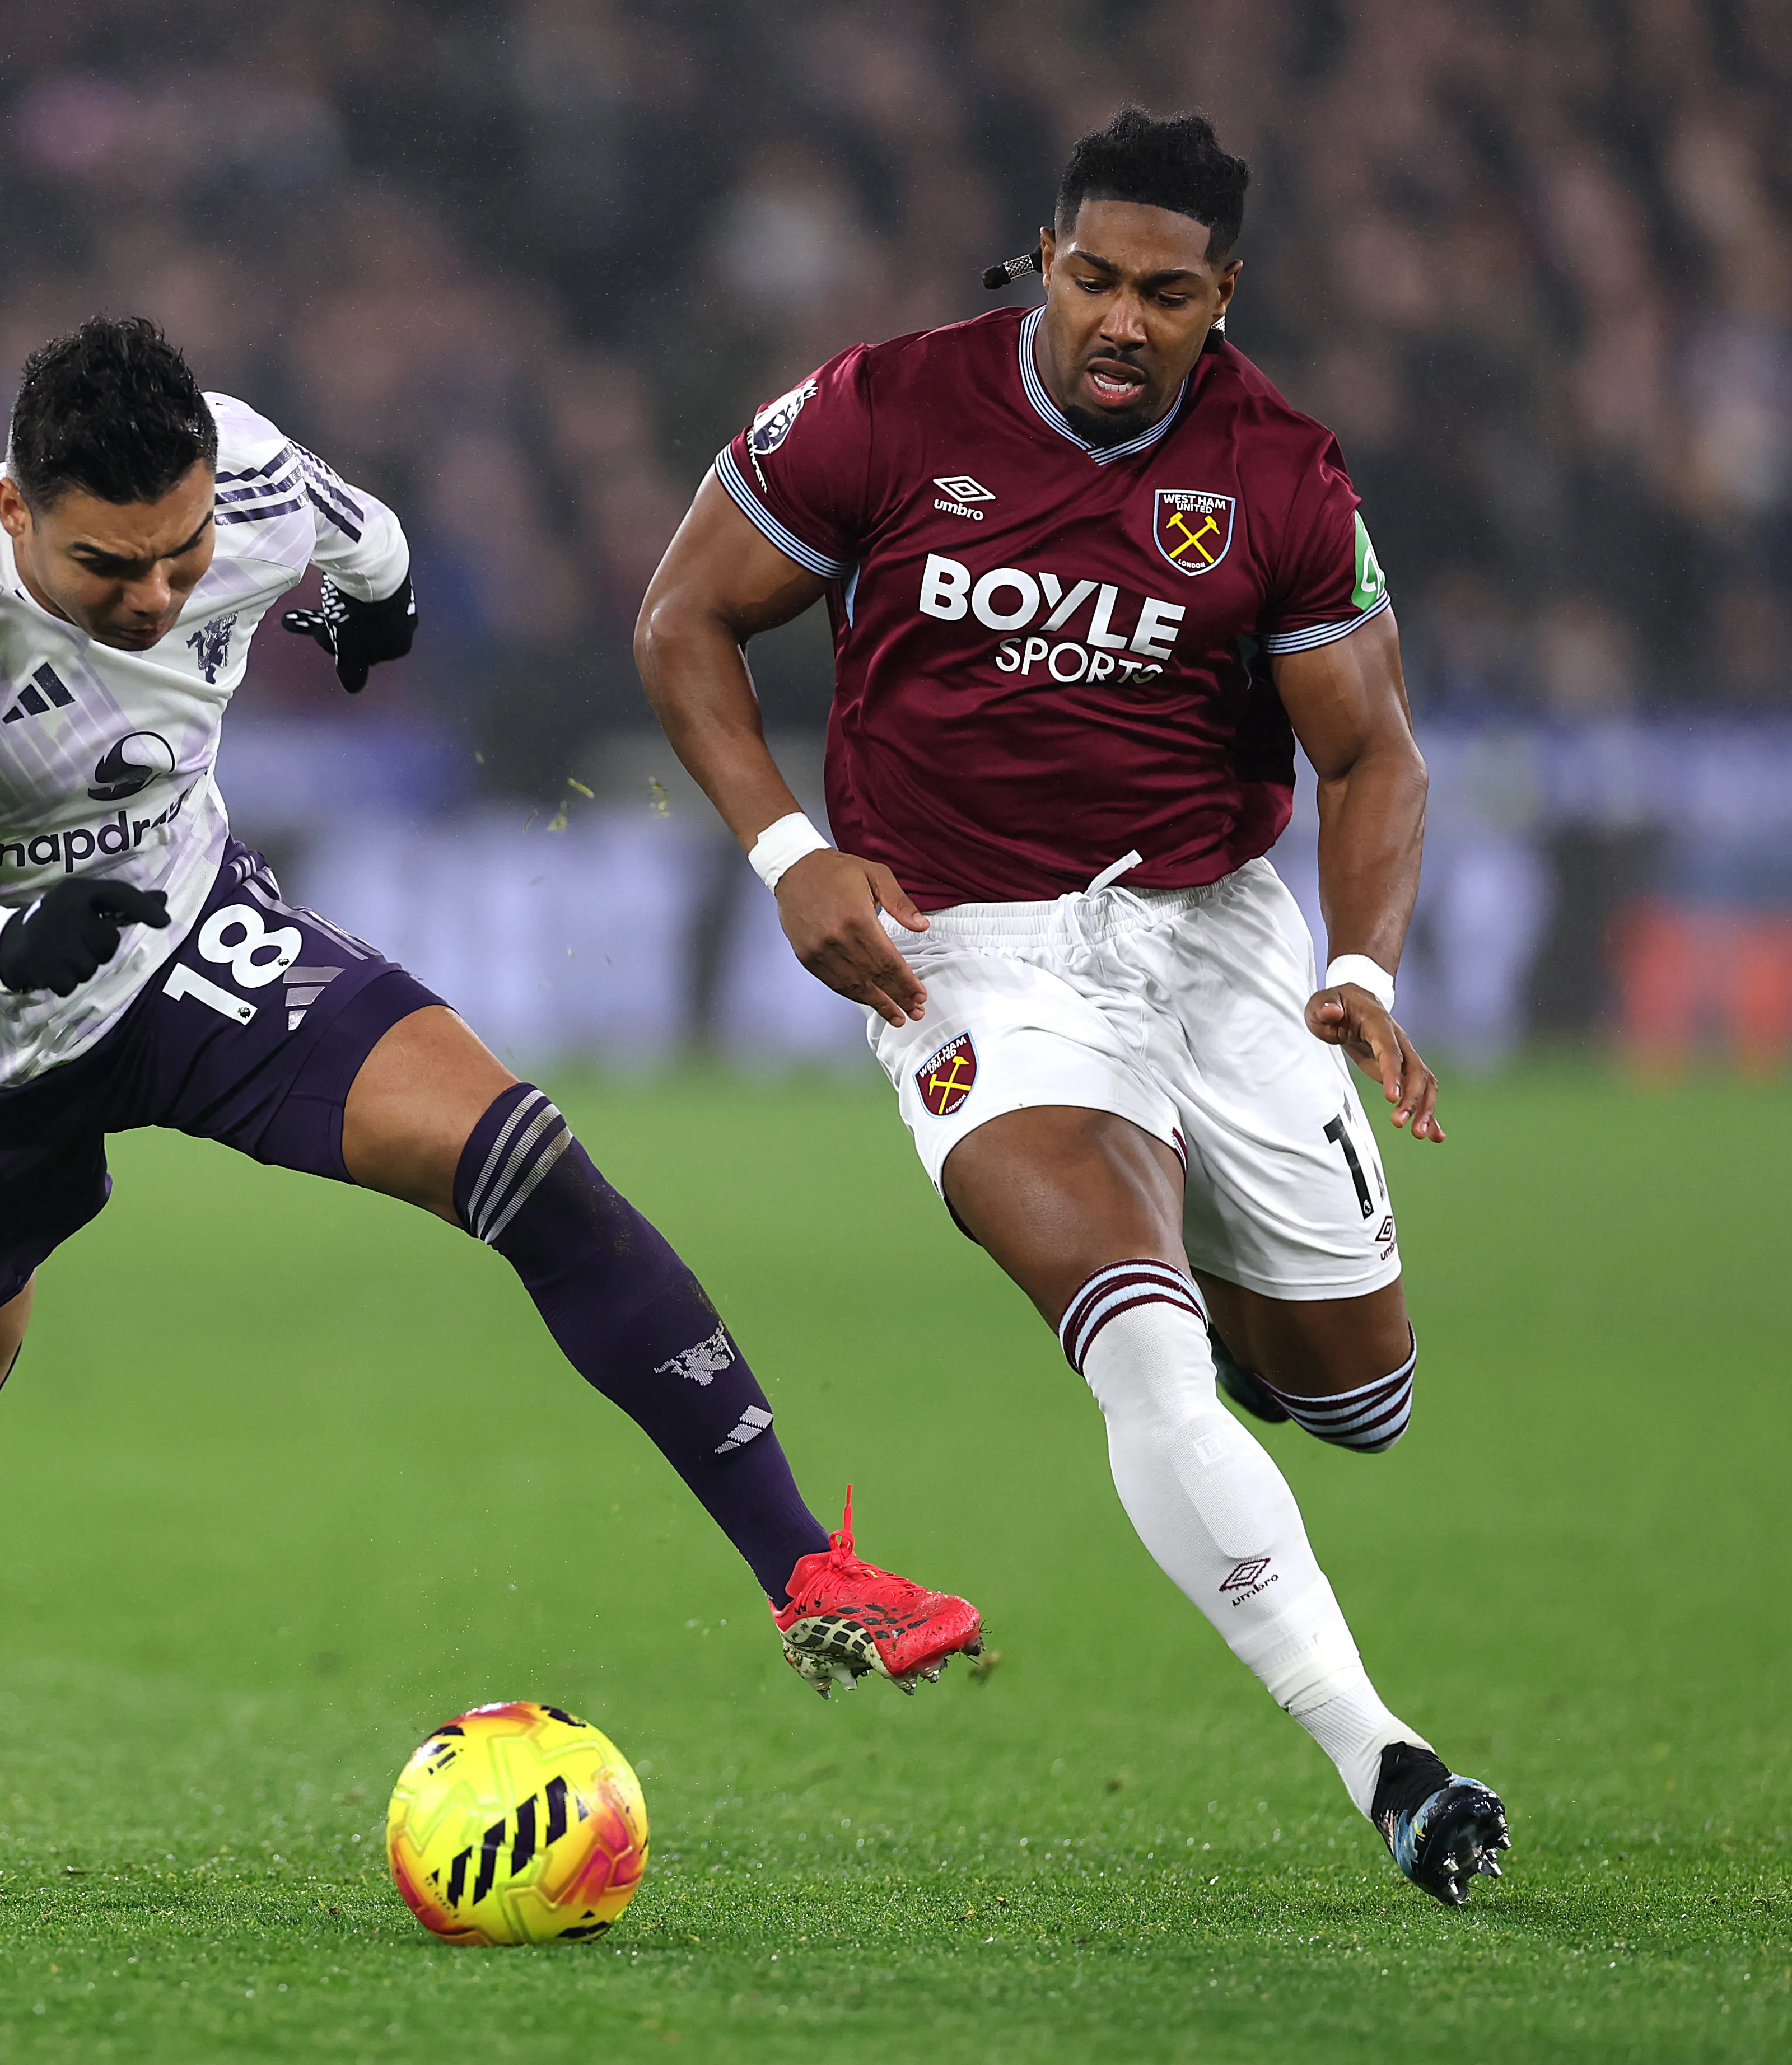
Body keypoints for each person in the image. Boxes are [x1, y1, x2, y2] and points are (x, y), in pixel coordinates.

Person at [0, 316, 981, 1720]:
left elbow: (365, 537)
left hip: (191, 933)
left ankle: (808, 1569)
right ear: (16, 509)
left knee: (524, 1158)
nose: (153, 597)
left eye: (180, 553)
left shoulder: (249, 471)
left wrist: (374, 606)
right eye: (105, 565)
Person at [634, 111, 1508, 1906]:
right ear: (1046, 257)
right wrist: (791, 850)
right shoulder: (884, 407)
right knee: (1139, 1336)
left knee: (1362, 1402)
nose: (1119, 319)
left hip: (1214, 938)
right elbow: (680, 621)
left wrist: (1357, 971)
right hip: (964, 954)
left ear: (1222, 299)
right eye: (1092, 277)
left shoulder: (1281, 475)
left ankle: (1210, 1233)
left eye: (1163, 295)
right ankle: (1384, 1757)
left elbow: (1374, 751)